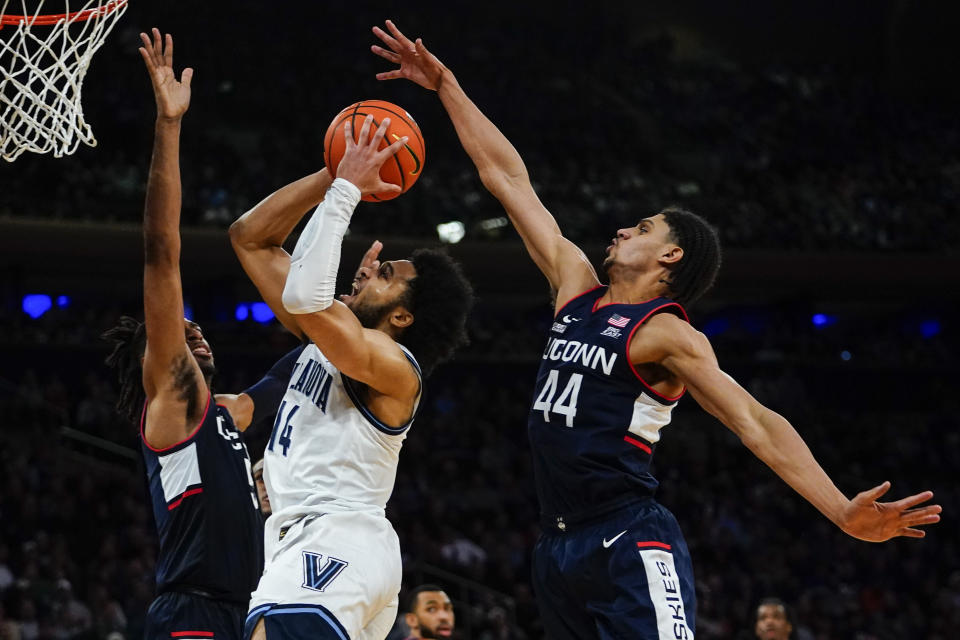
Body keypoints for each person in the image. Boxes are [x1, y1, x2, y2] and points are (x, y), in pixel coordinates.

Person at [370, 20, 943, 639]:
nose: (623, 230)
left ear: (671, 257)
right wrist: (445, 85)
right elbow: (509, 180)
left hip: (626, 536)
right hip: (555, 547)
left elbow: (754, 422)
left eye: (643, 228)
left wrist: (838, 509)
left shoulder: (667, 334)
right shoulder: (576, 288)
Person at [229, 116, 473, 639]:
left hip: (339, 541)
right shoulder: (328, 338)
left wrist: (346, 193)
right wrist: (334, 169)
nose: (367, 271)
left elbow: (304, 298)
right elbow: (250, 238)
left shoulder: (395, 368)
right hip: (306, 543)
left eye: (384, 275)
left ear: (403, 317)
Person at [100, 30, 297, 640]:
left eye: (195, 327)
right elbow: (162, 255)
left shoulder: (226, 415)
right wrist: (169, 124)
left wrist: (352, 309)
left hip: (246, 612)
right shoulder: (174, 399)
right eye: (179, 331)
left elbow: (299, 366)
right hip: (192, 614)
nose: (195, 332)